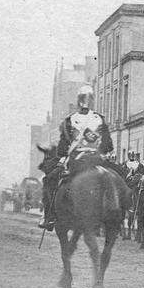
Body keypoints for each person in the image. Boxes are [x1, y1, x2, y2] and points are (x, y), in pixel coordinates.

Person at [39, 84, 113, 231]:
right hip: (95, 159)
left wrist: (64, 154)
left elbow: (62, 146)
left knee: (51, 179)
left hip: (76, 159)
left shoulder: (70, 120)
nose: (86, 101)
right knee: (115, 179)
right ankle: (114, 217)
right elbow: (108, 145)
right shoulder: (99, 119)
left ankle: (49, 216)